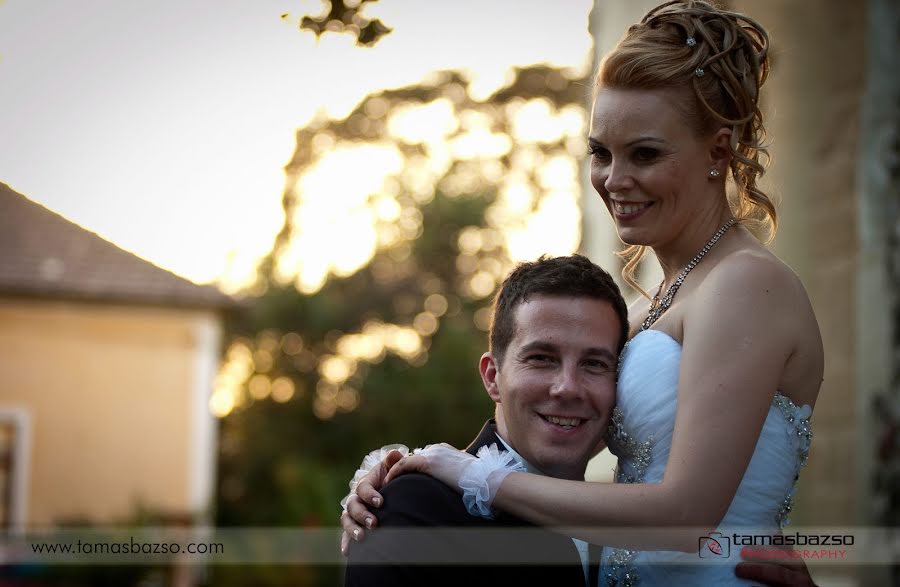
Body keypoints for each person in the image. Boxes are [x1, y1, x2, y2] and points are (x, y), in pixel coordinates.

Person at [345, 1, 824, 585]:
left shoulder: (747, 283)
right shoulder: (653, 306)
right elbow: (552, 423)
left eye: (645, 153)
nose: (614, 179)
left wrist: (475, 477)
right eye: (601, 152)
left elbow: (687, 515)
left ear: (719, 153)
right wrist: (401, 471)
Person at [344, 254, 626, 586]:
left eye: (594, 364)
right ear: (493, 376)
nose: (567, 388)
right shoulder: (413, 508)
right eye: (542, 358)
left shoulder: (624, 528)